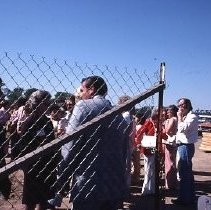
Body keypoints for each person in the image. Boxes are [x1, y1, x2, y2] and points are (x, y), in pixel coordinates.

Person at [48, 76, 129, 210]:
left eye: (81, 90)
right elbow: (124, 150)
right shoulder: (118, 114)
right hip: (113, 183)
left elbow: (70, 146)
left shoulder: (83, 107)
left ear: (91, 90)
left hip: (88, 183)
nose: (79, 95)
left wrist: (60, 180)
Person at [19, 90, 59, 210]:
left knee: (44, 200)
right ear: (37, 104)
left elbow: (52, 141)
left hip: (47, 165)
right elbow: (24, 147)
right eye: (46, 103)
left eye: (48, 103)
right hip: (34, 166)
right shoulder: (28, 122)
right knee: (30, 202)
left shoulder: (47, 122)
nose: (48, 106)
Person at [171, 98, 198, 206]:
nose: (179, 107)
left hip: (186, 146)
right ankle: (189, 197)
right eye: (178, 105)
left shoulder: (192, 117)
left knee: (184, 173)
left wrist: (179, 117)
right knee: (186, 173)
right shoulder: (186, 117)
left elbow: (182, 129)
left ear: (187, 105)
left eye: (181, 105)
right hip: (182, 145)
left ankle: (185, 199)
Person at [163, 105, 178, 190]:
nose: (167, 112)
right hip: (172, 142)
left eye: (169, 111)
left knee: (170, 162)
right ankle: (171, 182)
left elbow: (167, 130)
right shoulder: (175, 119)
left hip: (170, 142)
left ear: (173, 111)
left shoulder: (172, 119)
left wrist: (164, 125)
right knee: (171, 161)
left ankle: (170, 184)